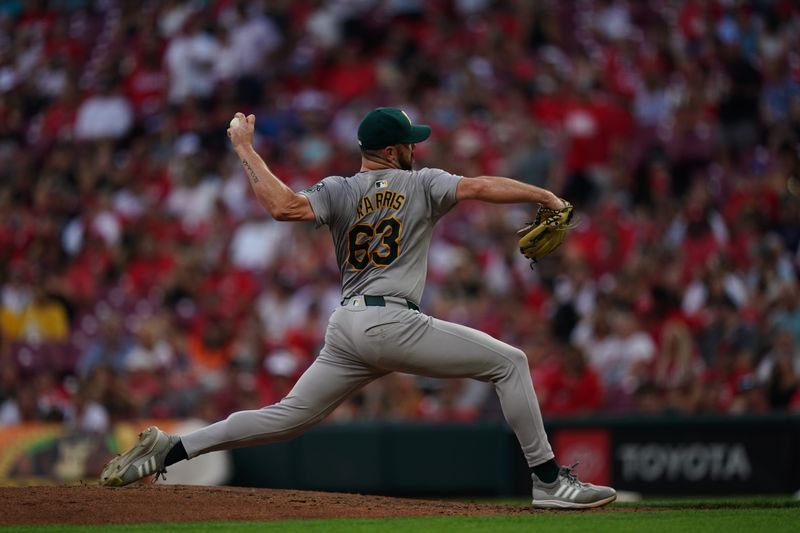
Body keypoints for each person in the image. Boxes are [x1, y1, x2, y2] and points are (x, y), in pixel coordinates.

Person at [100, 107, 617, 509]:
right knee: (512, 363)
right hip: (392, 320)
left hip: (348, 324)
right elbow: (481, 186)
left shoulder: (339, 189)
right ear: (393, 151)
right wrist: (545, 196)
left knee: (286, 418)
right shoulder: (422, 182)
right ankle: (549, 482)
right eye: (410, 143)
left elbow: (282, 206)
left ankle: (169, 449)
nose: (416, 149)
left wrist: (243, 148)